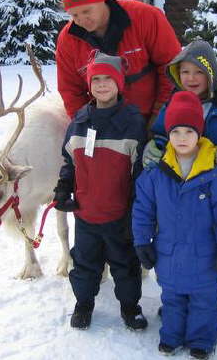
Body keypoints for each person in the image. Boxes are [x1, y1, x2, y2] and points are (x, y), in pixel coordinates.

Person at [142, 40, 217, 326]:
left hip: (215, 191)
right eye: (185, 72)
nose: (191, 79)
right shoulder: (174, 103)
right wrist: (154, 147)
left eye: (197, 72)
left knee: (214, 247)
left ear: (211, 74)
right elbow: (161, 134)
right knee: (179, 242)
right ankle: (177, 298)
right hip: (179, 188)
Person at [132, 91, 217, 359]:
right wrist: (141, 240)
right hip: (168, 253)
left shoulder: (216, 171)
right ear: (167, 134)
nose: (182, 138)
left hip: (206, 255)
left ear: (200, 133)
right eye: (176, 131)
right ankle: (171, 335)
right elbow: (143, 209)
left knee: (204, 301)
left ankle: (202, 340)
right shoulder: (157, 171)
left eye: (189, 131)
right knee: (172, 298)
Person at [53, 52, 148, 331]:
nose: (102, 84)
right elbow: (69, 161)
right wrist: (63, 189)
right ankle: (84, 304)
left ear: (119, 83)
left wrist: (136, 211)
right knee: (84, 265)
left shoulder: (133, 122)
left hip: (120, 216)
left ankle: (130, 307)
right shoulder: (80, 121)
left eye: (108, 78)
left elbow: (140, 173)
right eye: (96, 79)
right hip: (86, 215)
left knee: (125, 267)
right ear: (89, 84)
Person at [55, 0, 181, 121]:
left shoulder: (146, 17)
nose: (81, 20)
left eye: (87, 11)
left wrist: (159, 116)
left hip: (151, 117)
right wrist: (85, 126)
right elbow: (71, 92)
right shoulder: (68, 40)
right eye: (74, 15)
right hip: (104, 126)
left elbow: (172, 67)